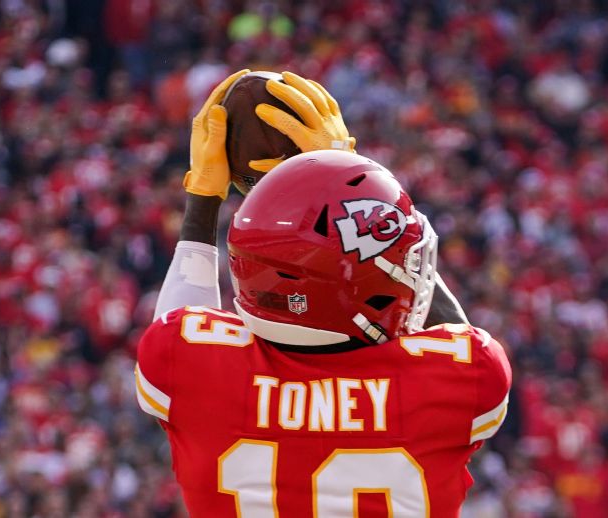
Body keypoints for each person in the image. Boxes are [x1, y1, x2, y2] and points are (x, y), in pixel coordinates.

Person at [134, 70, 512, 516]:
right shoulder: (462, 376)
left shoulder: (186, 359)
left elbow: (178, 319)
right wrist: (340, 171)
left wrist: (204, 196)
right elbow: (433, 305)